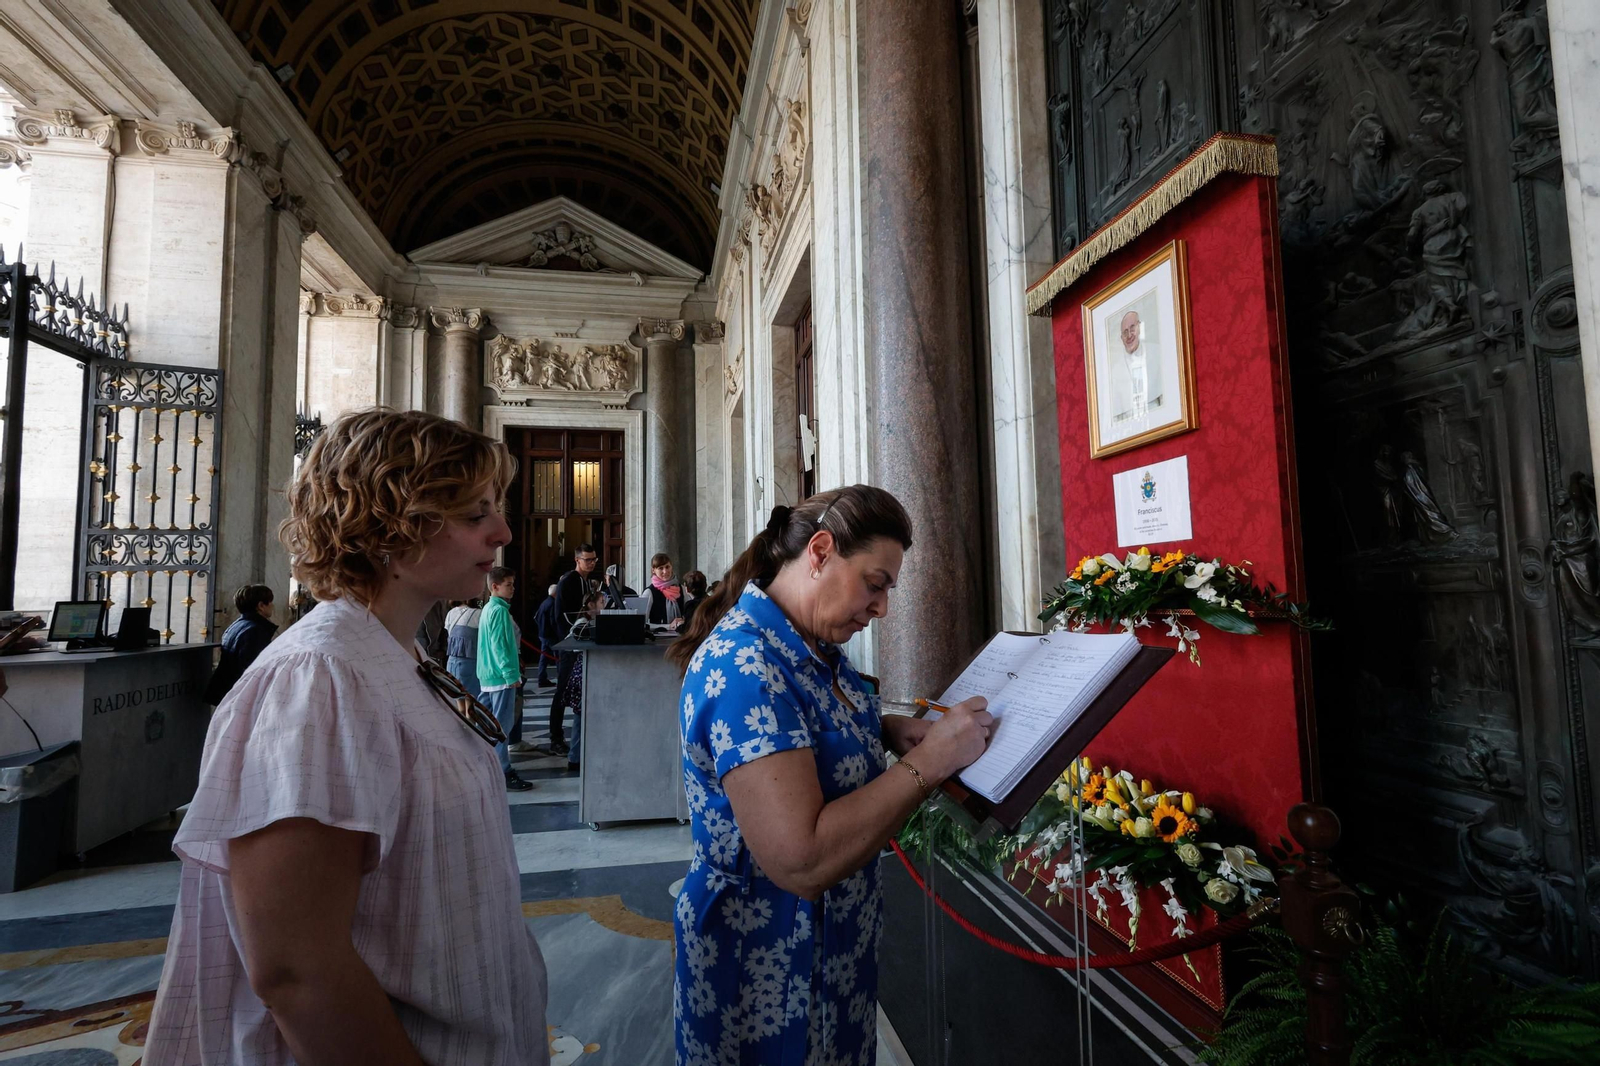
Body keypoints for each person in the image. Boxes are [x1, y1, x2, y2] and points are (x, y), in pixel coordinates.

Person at [145, 407, 549, 1065]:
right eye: (475, 515)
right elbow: (297, 969)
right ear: (391, 525)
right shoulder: (318, 678)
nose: (502, 532)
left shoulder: (393, 653)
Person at [666, 486, 994, 1064]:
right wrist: (931, 760)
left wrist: (884, 729)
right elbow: (801, 858)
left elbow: (808, 726)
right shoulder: (747, 664)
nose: (882, 608)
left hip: (832, 953)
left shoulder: (808, 644)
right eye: (876, 583)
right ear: (819, 551)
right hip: (763, 959)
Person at [478, 566, 532, 792]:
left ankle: (485, 766)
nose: (513, 589)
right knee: (501, 726)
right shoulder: (499, 611)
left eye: (512, 584)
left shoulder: (489, 608)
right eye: (508, 585)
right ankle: (503, 771)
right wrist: (512, 675)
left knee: (487, 725)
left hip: (488, 674)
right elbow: (500, 645)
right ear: (494, 586)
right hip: (501, 676)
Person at [549, 544, 598, 755]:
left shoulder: (587, 582)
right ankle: (555, 737)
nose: (592, 563)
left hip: (580, 642)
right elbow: (560, 615)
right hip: (570, 644)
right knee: (562, 690)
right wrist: (571, 639)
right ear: (577, 560)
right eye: (588, 560)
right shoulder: (568, 581)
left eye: (594, 559)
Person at [202, 584, 277, 705]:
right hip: (240, 695)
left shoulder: (237, 625)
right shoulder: (255, 630)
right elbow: (253, 669)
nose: (273, 606)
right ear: (261, 606)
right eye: (270, 602)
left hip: (228, 690)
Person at [562, 590, 606, 773]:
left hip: (585, 674)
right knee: (580, 717)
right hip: (582, 675)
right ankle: (575, 757)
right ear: (591, 605)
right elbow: (572, 642)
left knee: (582, 717)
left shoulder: (591, 622)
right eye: (602, 602)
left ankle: (578, 755)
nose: (604, 606)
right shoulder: (582, 623)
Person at [444, 598, 483, 696]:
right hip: (470, 663)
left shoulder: (450, 613)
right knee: (472, 700)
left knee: (458, 700)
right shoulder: (478, 613)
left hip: (451, 662)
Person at [533, 584, 561, 687]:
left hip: (543, 634)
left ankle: (541, 678)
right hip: (550, 635)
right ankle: (561, 677)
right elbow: (553, 621)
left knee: (544, 658)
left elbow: (536, 617)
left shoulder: (544, 603)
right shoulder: (553, 603)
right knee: (558, 657)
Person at [645, 552, 683, 629]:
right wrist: (668, 626)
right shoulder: (649, 592)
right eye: (660, 568)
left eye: (667, 567)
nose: (665, 571)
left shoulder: (681, 588)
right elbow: (643, 624)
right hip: (659, 639)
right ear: (653, 570)